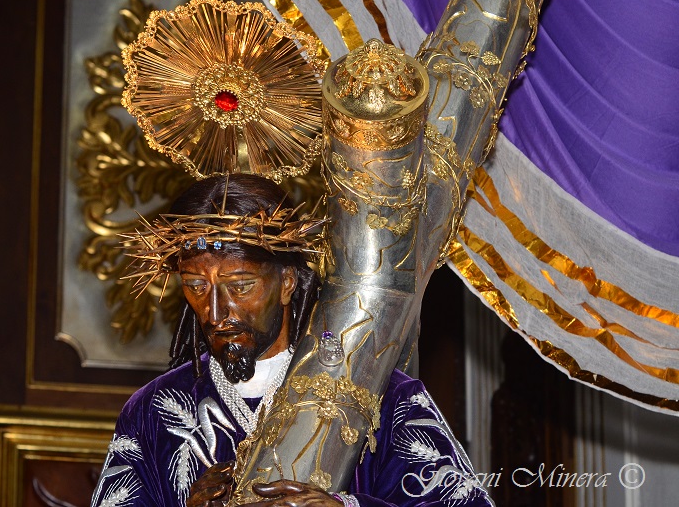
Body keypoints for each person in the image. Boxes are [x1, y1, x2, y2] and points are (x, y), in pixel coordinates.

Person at [91, 175, 491, 507]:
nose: (214, 312)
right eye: (196, 286)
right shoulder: (153, 410)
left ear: (286, 282)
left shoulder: (381, 396)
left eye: (240, 285)